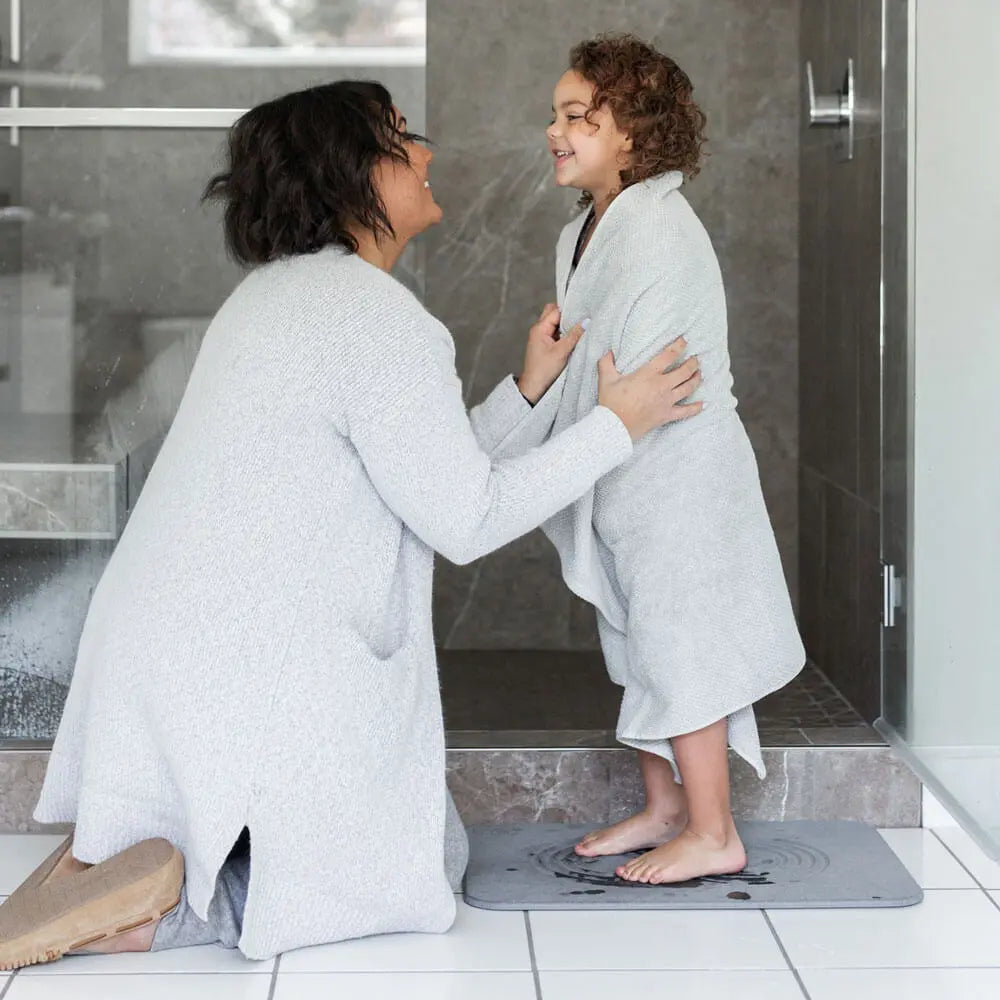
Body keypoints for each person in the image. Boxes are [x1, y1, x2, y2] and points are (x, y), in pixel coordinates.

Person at [0, 79, 703, 969]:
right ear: (350, 177)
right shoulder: (374, 320)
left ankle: (131, 860)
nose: (427, 153)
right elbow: (466, 517)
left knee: (406, 841)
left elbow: (416, 474)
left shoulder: (274, 298)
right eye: (402, 138)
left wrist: (526, 390)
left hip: (173, 654)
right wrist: (618, 426)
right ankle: (168, 910)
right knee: (416, 875)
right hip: (251, 670)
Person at [525, 34, 806, 884]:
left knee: (684, 644)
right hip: (625, 465)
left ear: (635, 137)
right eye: (553, 116)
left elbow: (646, 367)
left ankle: (715, 830)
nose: (555, 131)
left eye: (579, 116)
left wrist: (593, 420)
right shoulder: (586, 227)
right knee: (638, 638)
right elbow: (593, 362)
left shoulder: (659, 226)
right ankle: (667, 808)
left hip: (679, 469)